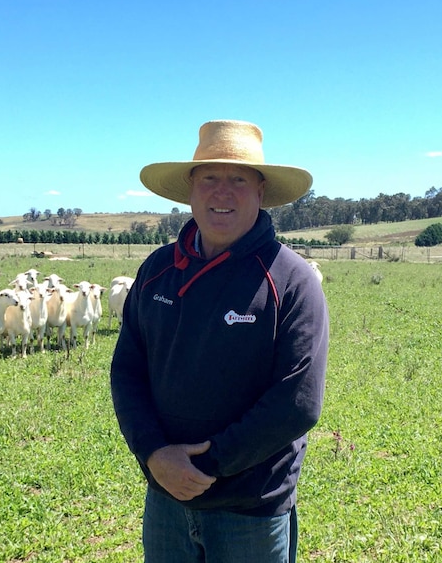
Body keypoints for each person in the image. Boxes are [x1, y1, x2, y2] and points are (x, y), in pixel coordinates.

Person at [110, 120, 329, 562]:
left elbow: (298, 402)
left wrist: (203, 467)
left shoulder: (291, 280)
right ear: (191, 190)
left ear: (261, 192)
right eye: (209, 177)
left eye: (238, 179)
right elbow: (127, 370)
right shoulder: (156, 270)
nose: (221, 192)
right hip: (166, 500)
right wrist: (153, 453)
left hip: (250, 509)